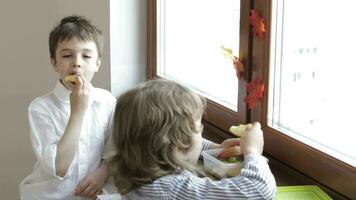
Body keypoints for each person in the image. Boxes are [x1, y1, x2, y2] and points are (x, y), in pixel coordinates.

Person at [111, 79, 277, 199]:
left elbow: (185, 146)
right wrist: (253, 152)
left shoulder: (132, 171)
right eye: (199, 129)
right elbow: (259, 190)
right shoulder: (175, 190)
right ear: (179, 144)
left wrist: (215, 146)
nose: (202, 132)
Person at [19, 15, 116, 199]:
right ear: (54, 62)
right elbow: (59, 168)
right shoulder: (40, 108)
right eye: (66, 55)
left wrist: (103, 172)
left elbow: (114, 151)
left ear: (97, 63)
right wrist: (78, 111)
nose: (76, 63)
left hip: (93, 193)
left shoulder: (108, 102)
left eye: (86, 56)